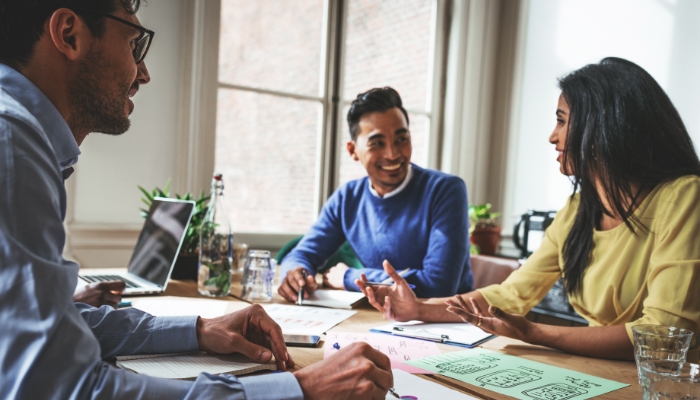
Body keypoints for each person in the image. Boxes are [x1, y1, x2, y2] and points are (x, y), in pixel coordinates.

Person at [0, 1, 393, 398]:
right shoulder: (12, 145)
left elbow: (61, 323)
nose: (144, 73)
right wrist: (300, 389)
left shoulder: (19, 138)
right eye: (135, 45)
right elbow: (58, 386)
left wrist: (199, 330)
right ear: (69, 35)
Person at [357, 57, 700, 363]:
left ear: (605, 125)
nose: (553, 137)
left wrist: (535, 333)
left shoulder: (685, 197)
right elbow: (511, 294)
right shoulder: (578, 209)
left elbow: (663, 334)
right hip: (604, 372)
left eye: (563, 121)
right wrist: (419, 308)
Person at [278, 87, 473, 302]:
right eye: (377, 143)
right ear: (353, 150)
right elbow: (300, 254)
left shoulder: (445, 191)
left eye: (402, 139)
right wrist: (295, 273)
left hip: (446, 324)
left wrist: (349, 277)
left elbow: (439, 285)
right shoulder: (347, 198)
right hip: (380, 316)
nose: (393, 154)